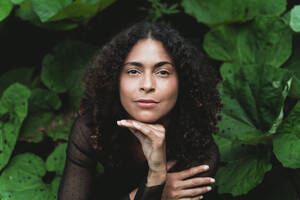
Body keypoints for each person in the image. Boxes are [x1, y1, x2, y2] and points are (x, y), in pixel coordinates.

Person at [58, 21, 222, 200]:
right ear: (115, 80)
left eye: (163, 72)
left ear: (182, 82)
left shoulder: (199, 150)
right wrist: (156, 185)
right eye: (133, 71)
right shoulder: (92, 128)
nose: (147, 85)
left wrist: (153, 183)